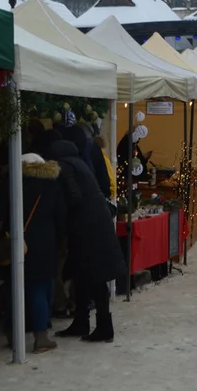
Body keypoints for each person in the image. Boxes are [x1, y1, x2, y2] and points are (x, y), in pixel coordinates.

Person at [0, 153, 67, 354]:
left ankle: (12, 334)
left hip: (14, 242)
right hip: (44, 245)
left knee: (13, 289)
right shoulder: (52, 185)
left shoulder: (11, 182)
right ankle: (41, 338)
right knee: (39, 290)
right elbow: (62, 218)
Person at [51, 134, 127, 342]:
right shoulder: (80, 164)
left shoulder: (65, 168)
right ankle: (82, 321)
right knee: (83, 276)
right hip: (94, 225)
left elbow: (73, 198)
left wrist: (60, 218)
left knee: (93, 277)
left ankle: (103, 326)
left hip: (86, 228)